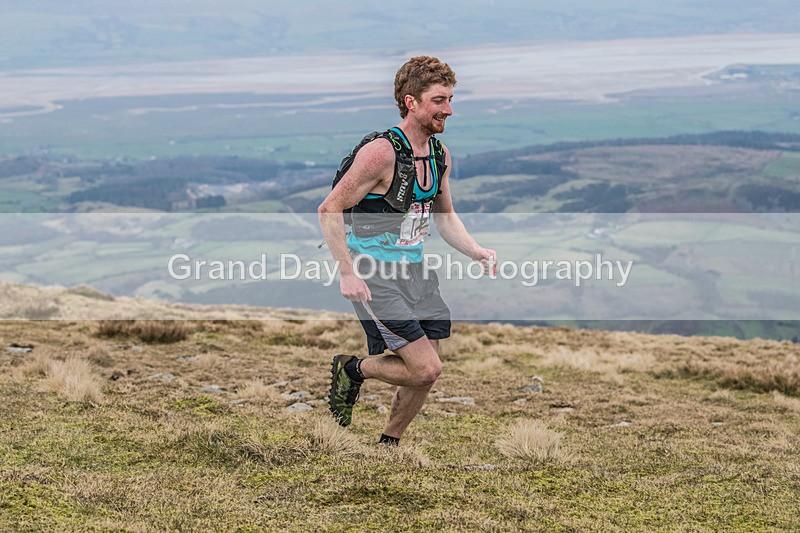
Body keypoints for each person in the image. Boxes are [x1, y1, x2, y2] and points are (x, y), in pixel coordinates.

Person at [317, 56, 495, 445]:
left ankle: (389, 442)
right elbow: (329, 208)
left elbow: (445, 218)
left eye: (450, 99)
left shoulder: (439, 155)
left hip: (415, 272)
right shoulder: (381, 154)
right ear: (410, 102)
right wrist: (347, 272)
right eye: (438, 100)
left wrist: (475, 251)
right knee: (426, 369)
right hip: (373, 273)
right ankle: (354, 370)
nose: (448, 109)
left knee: (428, 368)